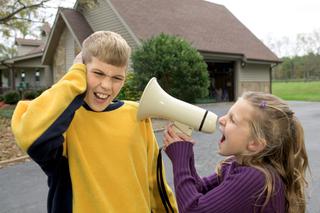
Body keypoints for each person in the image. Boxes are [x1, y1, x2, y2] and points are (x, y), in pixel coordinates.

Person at [11, 31, 177, 213]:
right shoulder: (63, 123)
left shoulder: (136, 115)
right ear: (81, 69)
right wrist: (74, 76)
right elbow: (29, 134)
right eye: (98, 73)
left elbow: (156, 183)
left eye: (117, 78)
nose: (106, 85)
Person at [163, 91, 309, 213]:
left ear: (255, 143)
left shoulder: (255, 178)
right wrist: (186, 155)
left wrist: (179, 160)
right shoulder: (236, 164)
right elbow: (200, 189)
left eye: (233, 119)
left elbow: (194, 210)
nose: (221, 119)